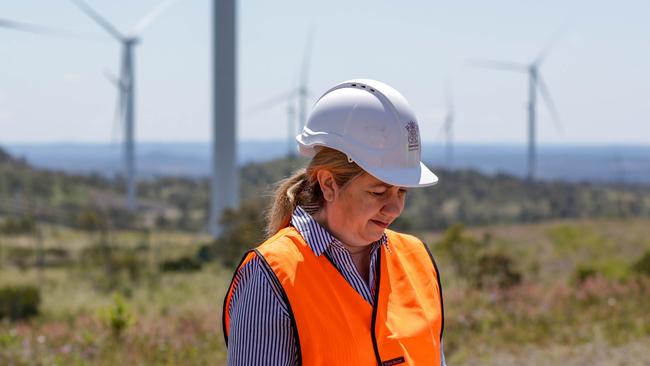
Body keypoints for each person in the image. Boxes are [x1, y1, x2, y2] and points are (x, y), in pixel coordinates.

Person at [223, 79, 446, 365]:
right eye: (377, 192)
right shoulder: (273, 275)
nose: (394, 208)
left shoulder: (418, 260)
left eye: (402, 191)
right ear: (328, 183)